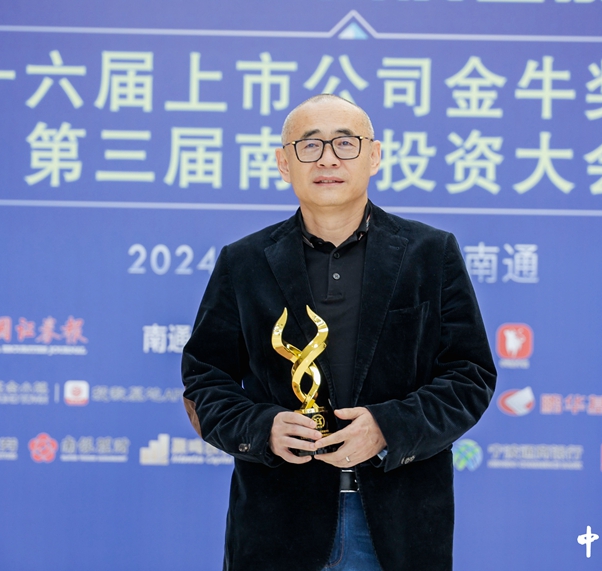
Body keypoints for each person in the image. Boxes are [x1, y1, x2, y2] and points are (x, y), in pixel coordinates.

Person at [182, 94, 496, 571]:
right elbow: (205, 380)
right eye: (310, 145)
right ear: (284, 163)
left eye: (345, 143)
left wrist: (388, 428)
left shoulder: (431, 255)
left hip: (398, 527)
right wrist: (263, 429)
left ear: (374, 156)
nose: (328, 159)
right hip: (277, 527)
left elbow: (469, 376)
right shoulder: (243, 262)